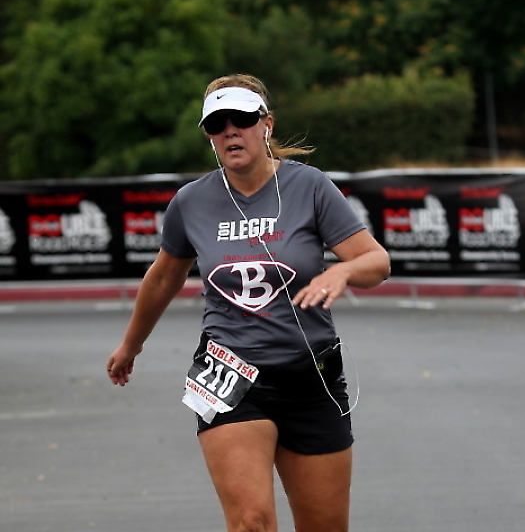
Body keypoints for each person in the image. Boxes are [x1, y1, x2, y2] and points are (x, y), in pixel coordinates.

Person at [106, 73, 391, 532]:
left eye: (240, 119)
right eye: (217, 125)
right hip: (229, 373)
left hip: (310, 376)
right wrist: (130, 346)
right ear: (209, 136)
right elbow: (162, 279)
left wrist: (342, 271)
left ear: (266, 125)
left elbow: (377, 262)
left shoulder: (309, 186)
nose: (230, 132)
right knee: (251, 522)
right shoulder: (191, 202)